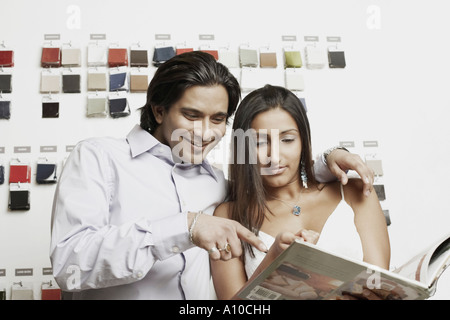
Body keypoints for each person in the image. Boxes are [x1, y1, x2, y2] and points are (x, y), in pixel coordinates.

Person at [50, 51, 376, 300]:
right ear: (158, 110)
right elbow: (69, 264)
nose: (205, 133)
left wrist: (330, 158)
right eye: (192, 115)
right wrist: (185, 227)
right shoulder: (99, 157)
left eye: (218, 119)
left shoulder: (216, 183)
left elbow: (273, 180)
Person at [211, 85, 390, 300]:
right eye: (259, 142)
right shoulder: (229, 216)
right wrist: (275, 260)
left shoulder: (354, 192)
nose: (274, 157)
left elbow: (379, 287)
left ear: (303, 140)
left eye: (287, 140)